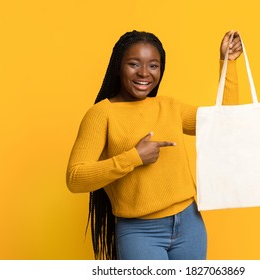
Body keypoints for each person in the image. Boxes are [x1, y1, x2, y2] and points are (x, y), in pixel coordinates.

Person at [66, 30, 243, 260]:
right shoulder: (101, 114)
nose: (144, 73)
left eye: (153, 66)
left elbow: (225, 123)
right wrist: (134, 157)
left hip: (190, 223)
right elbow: (75, 177)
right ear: (119, 66)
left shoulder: (169, 107)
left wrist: (228, 64)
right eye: (133, 64)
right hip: (139, 232)